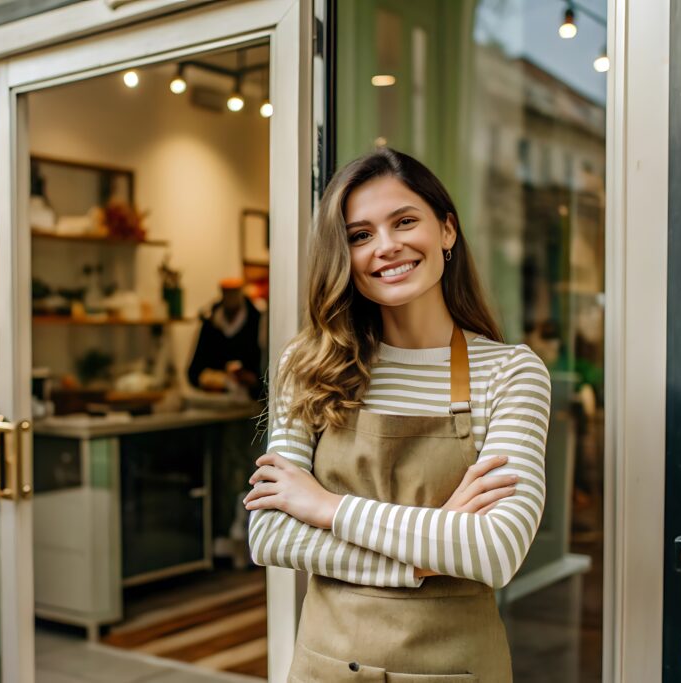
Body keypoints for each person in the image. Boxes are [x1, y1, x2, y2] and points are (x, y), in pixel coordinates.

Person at [243, 149, 551, 682]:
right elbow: (271, 536)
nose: (386, 247)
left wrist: (324, 506)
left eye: (404, 221)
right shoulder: (310, 364)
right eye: (360, 235)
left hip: (455, 670)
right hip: (325, 666)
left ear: (447, 230)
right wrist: (428, 556)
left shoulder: (511, 373)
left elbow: (498, 551)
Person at [187, 277, 264, 399]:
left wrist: (252, 379)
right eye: (227, 293)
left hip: (249, 404)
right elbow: (193, 373)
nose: (230, 297)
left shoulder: (257, 322)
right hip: (215, 402)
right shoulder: (210, 325)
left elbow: (264, 374)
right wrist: (214, 380)